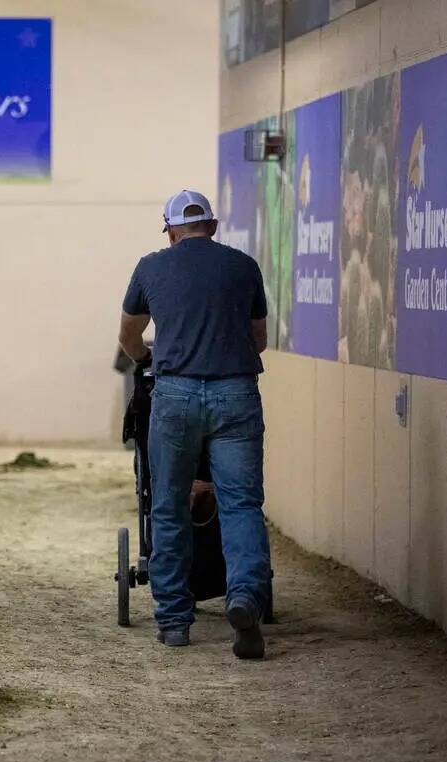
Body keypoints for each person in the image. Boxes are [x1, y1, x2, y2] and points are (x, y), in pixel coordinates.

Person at [118, 189, 271, 659]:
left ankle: (174, 621)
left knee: (166, 505)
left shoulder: (150, 266)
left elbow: (128, 336)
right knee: (241, 504)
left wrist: (148, 356)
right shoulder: (244, 266)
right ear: (214, 226)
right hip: (235, 392)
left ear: (170, 231)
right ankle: (244, 597)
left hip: (176, 395)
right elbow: (259, 340)